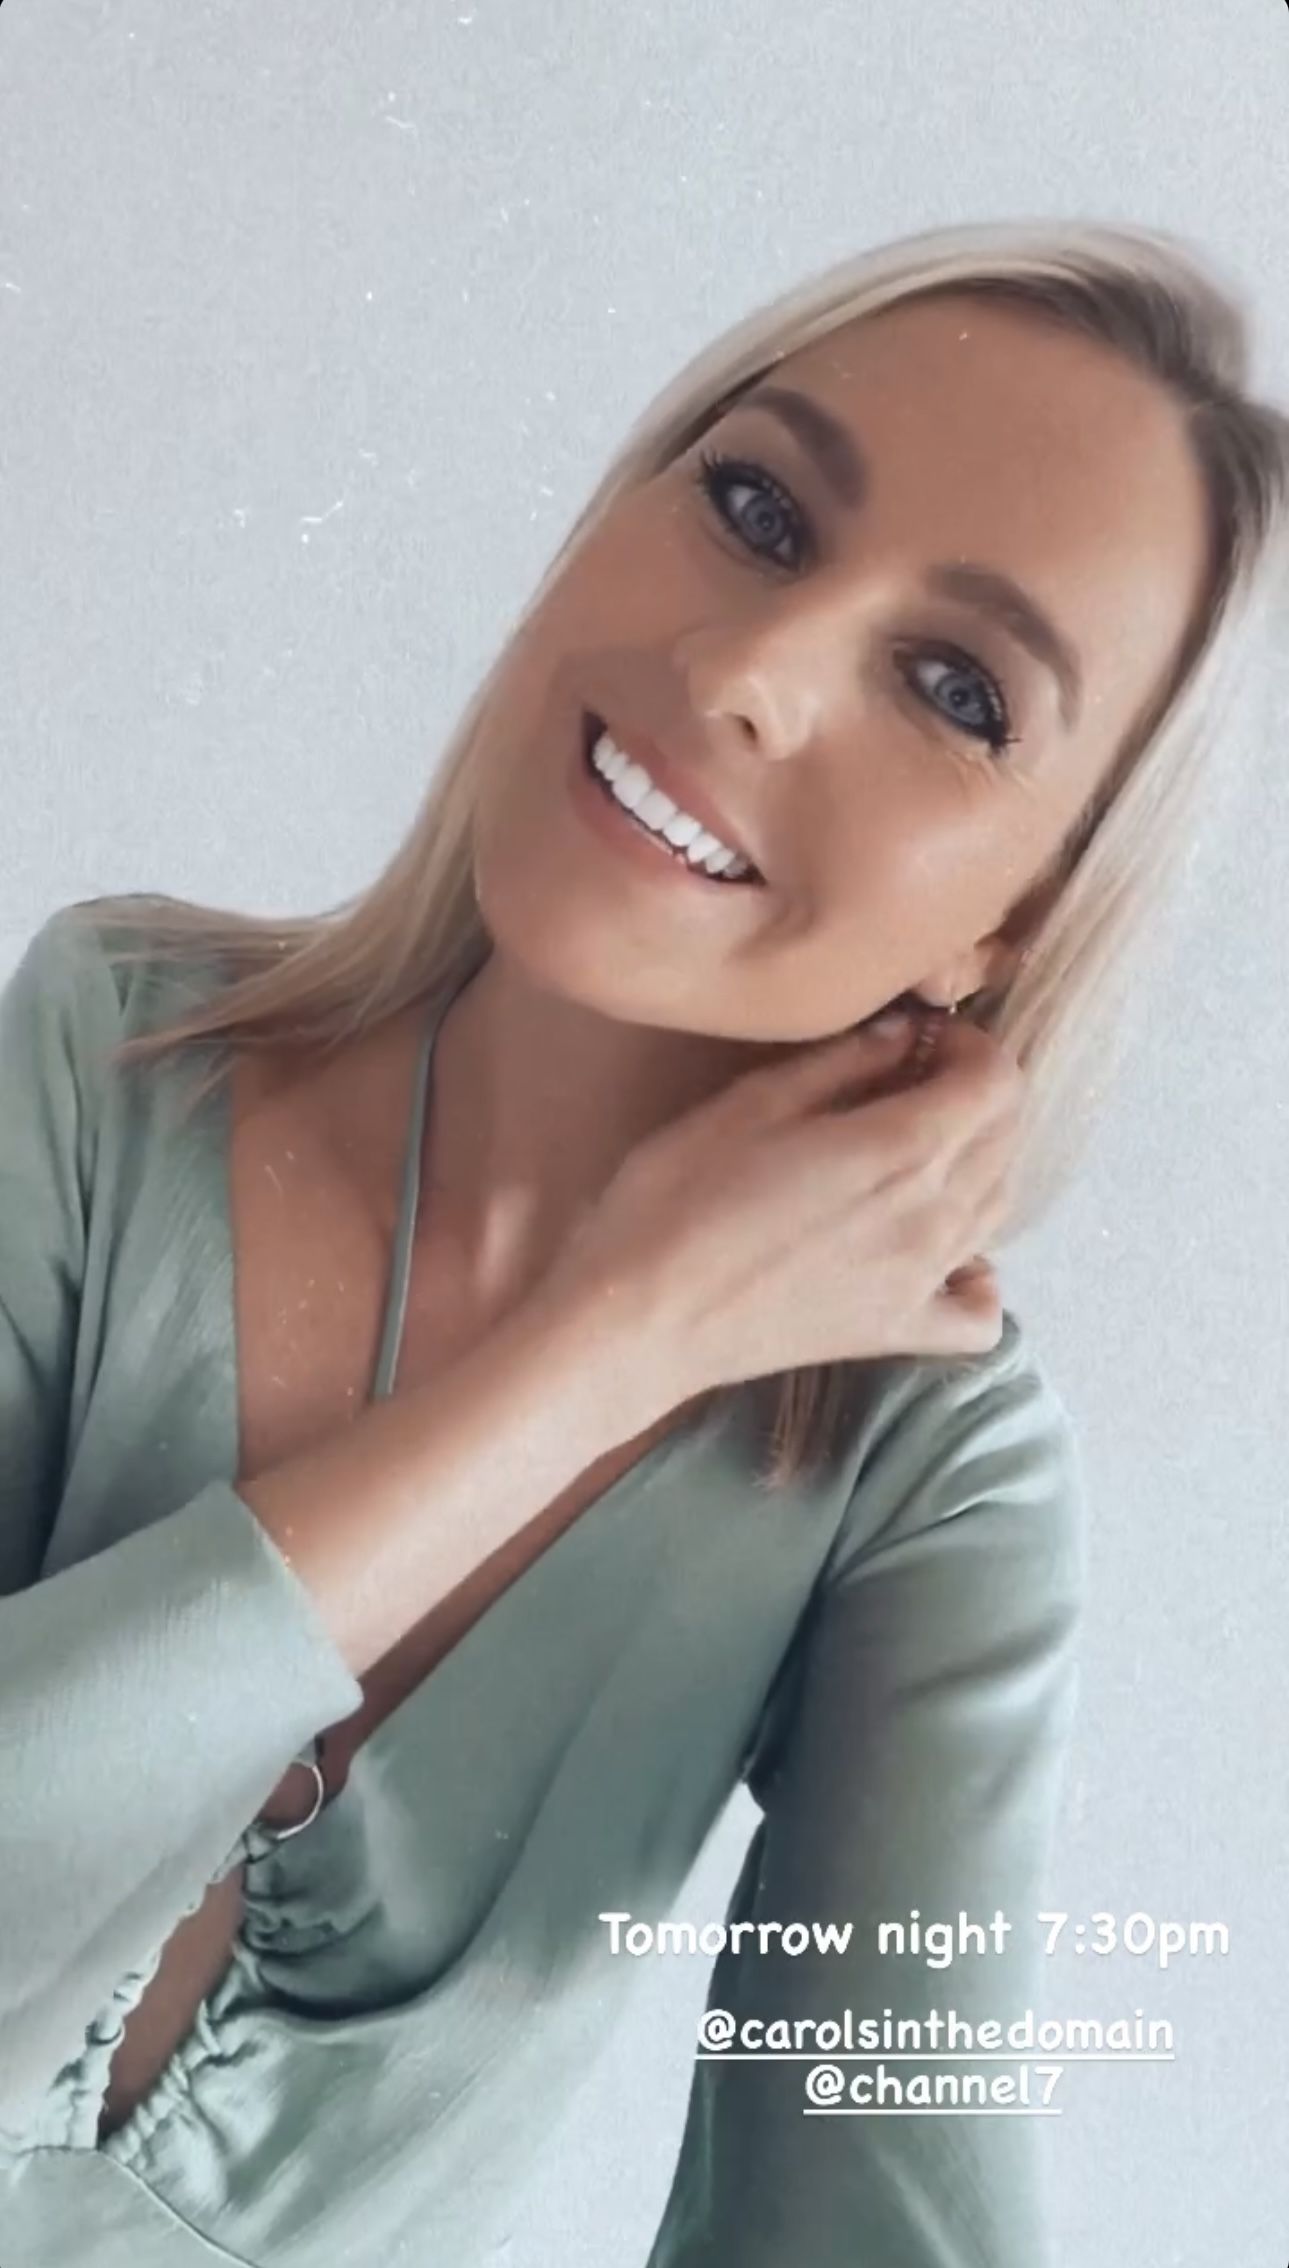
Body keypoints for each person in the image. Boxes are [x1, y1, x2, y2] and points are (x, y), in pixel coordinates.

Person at [2, 216, 1286, 2268]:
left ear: (1016, 921)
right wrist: (607, 1342)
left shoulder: (918, 1477)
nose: (746, 675)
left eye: (955, 689)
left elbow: (879, 2201)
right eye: (756, 509)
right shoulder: (111, 1048)